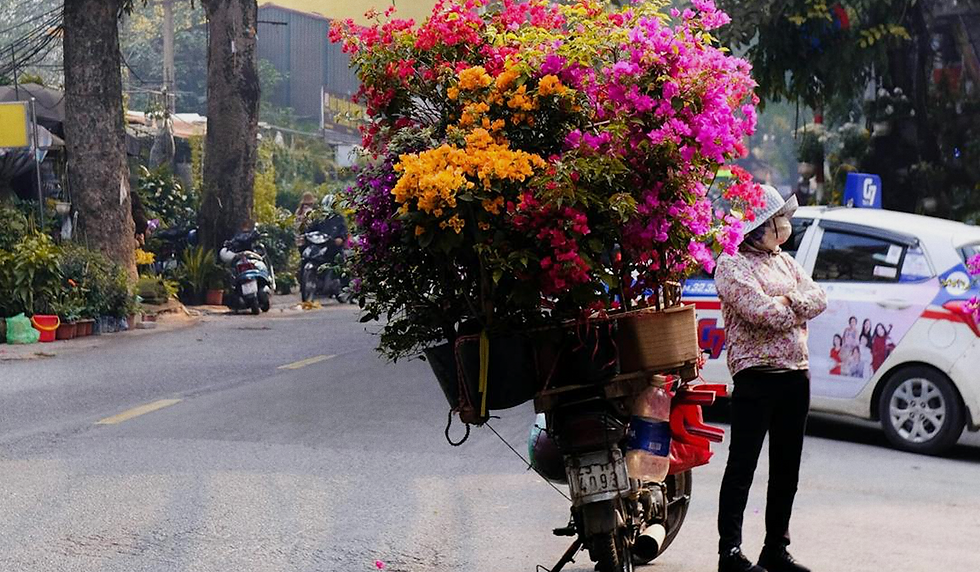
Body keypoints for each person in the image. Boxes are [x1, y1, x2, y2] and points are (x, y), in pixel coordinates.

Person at [714, 185, 827, 572]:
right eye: (778, 219)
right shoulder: (731, 265)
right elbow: (763, 313)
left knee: (786, 469)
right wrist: (792, 305)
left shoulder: (785, 262)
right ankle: (729, 552)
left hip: (796, 374)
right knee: (742, 467)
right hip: (756, 377)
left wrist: (787, 302)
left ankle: (775, 548)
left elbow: (819, 298)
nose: (784, 225)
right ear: (758, 227)